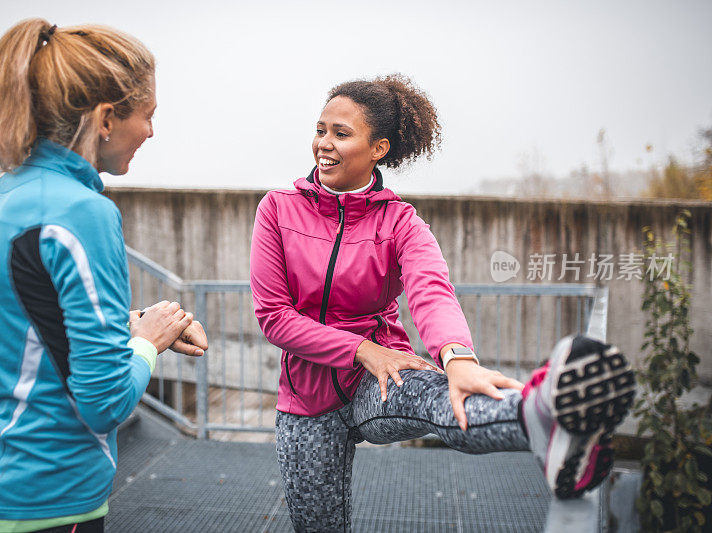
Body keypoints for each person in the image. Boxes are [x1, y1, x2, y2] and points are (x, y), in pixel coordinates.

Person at [249, 74, 636, 532]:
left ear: (379, 148)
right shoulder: (278, 208)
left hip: (382, 378)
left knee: (444, 397)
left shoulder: (401, 222)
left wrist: (458, 357)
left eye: (341, 133)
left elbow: (432, 290)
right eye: (320, 130)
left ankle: (543, 414)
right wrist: (362, 350)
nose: (324, 144)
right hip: (306, 400)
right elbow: (275, 319)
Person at [0, 19, 207, 533]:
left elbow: (33, 319)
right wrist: (148, 343)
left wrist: (131, 325)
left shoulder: (4, 193)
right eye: (148, 116)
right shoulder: (83, 212)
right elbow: (105, 401)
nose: (152, 132)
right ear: (106, 118)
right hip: (46, 501)